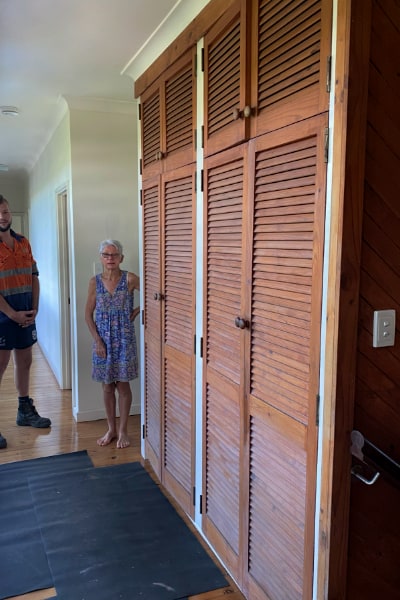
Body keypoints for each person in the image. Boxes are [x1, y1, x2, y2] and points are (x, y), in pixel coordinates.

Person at [0, 194, 51, 449]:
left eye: (6, 211)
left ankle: (24, 411)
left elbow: (34, 276)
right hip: (3, 316)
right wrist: (12, 314)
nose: (3, 216)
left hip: (26, 313)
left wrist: (34, 308)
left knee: (25, 361)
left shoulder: (23, 242)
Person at [85, 239, 140, 449]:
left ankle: (124, 430)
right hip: (103, 342)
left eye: (114, 255)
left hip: (124, 340)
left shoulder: (131, 279)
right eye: (106, 255)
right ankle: (111, 429)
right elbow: (87, 315)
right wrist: (97, 341)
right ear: (101, 258)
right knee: (107, 387)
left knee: (123, 386)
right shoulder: (94, 282)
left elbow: (156, 295)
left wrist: (138, 311)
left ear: (121, 258)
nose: (110, 259)